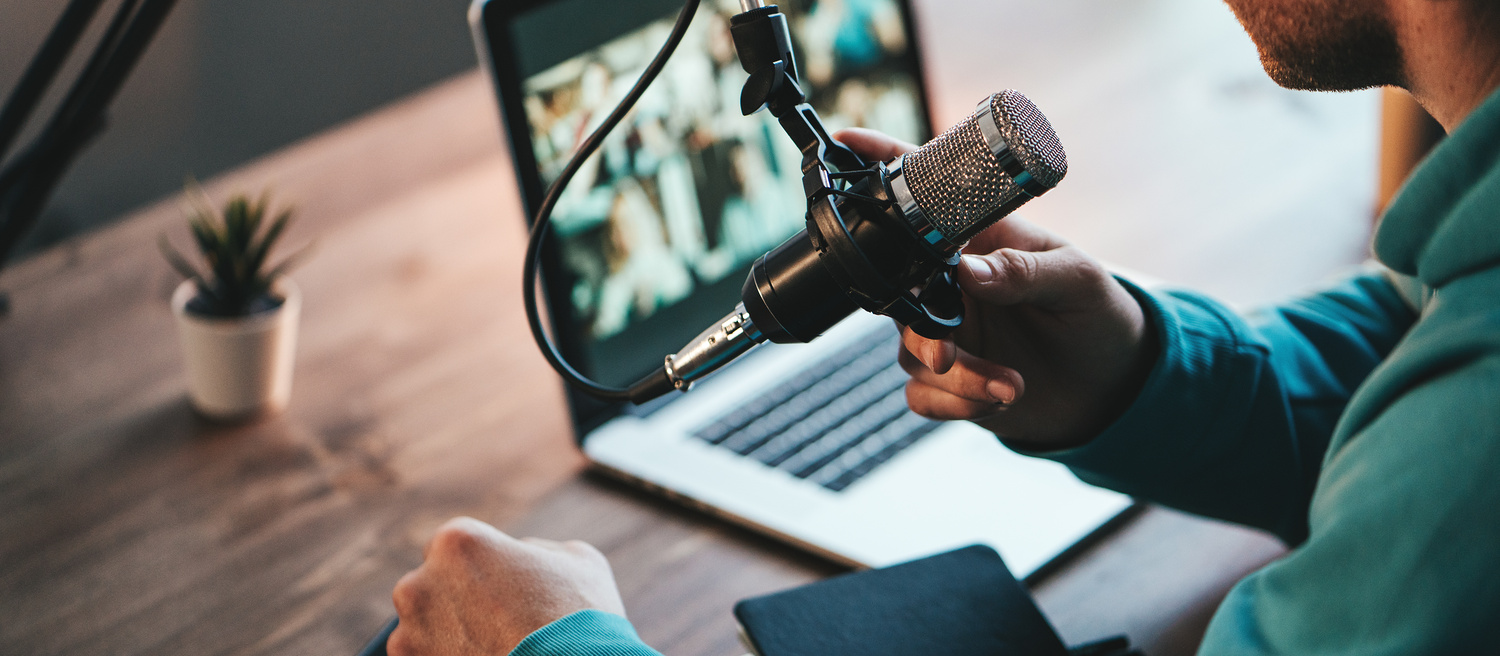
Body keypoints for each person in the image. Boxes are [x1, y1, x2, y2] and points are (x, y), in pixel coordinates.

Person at [387, 0, 1500, 652]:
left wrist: (562, 644)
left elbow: (1441, 456)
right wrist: (1147, 376)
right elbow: (1402, 347)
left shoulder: (1471, 451)